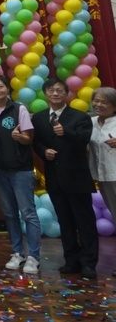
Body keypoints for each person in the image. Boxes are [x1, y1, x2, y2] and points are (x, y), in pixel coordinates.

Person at [31, 78, 98, 280]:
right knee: (65, 222)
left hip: (77, 178)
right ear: (45, 94)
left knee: (84, 222)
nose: (55, 93)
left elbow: (83, 141)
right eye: (51, 90)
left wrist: (65, 132)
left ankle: (89, 263)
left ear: (66, 93)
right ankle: (71, 260)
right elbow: (37, 143)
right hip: (54, 178)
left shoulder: (80, 117)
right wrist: (44, 151)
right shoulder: (39, 118)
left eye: (59, 90)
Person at [0, 73, 40, 274]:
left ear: (7, 88)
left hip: (20, 169)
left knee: (28, 213)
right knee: (9, 214)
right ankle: (17, 253)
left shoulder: (18, 109)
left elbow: (28, 139)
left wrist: (19, 137)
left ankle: (33, 256)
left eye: (0, 86)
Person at [88, 87, 116, 277]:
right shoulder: (91, 123)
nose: (98, 105)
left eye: (104, 102)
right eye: (96, 101)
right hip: (104, 177)